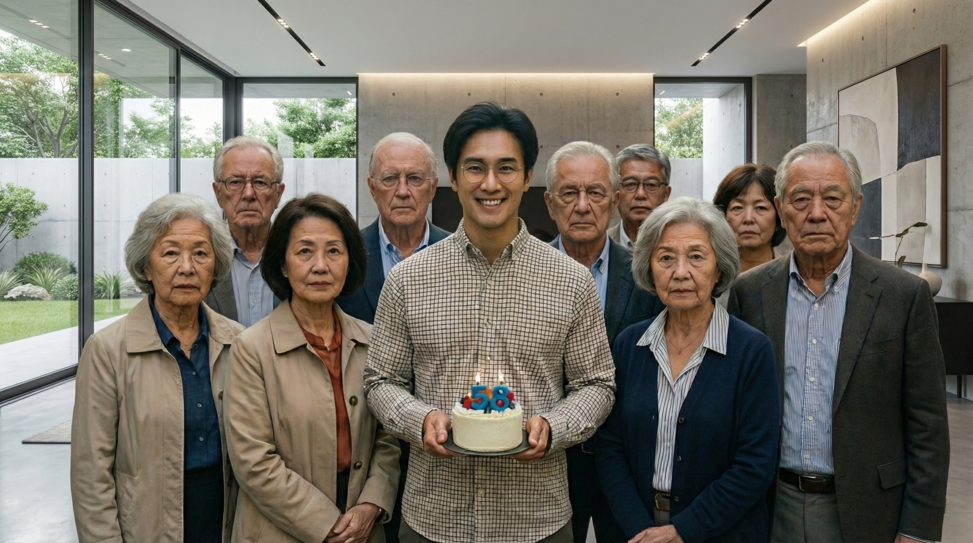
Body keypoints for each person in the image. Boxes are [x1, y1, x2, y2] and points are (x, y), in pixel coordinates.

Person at [364, 102, 616, 543]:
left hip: (536, 519)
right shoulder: (408, 279)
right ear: (452, 176)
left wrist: (553, 427)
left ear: (527, 175)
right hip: (432, 517)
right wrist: (420, 420)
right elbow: (380, 381)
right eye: (475, 168)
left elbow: (597, 385)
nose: (490, 184)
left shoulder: (571, 281)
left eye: (507, 168)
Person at [727, 141, 950, 543]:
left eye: (832, 198)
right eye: (800, 199)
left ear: (856, 207)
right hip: (772, 506)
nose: (816, 214)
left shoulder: (903, 295)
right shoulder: (751, 292)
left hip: (870, 509)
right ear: (780, 209)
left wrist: (918, 530)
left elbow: (928, 426)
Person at [597, 197, 781, 543]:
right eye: (666, 258)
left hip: (723, 533)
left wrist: (682, 531)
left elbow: (755, 465)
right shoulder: (629, 344)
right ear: (649, 268)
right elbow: (610, 447)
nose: (681, 272)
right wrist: (641, 529)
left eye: (696, 256)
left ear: (719, 268)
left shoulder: (750, 350)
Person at [224, 193, 400, 543]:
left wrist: (371, 504)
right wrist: (326, 525)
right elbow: (253, 461)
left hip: (362, 528)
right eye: (305, 251)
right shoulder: (252, 348)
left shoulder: (372, 339)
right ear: (283, 265)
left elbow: (388, 439)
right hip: (280, 529)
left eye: (334, 251)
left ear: (349, 261)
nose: (321, 265)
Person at [71, 193, 244, 542]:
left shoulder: (239, 342)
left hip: (228, 520)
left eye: (200, 253)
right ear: (146, 266)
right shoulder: (107, 350)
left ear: (217, 265)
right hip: (146, 526)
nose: (186, 267)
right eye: (169, 253)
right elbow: (91, 474)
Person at [544, 140, 665, 543]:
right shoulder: (525, 275)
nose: (582, 206)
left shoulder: (648, 278)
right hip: (546, 462)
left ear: (613, 201)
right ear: (549, 203)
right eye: (569, 193)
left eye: (595, 193)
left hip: (630, 461)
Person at [335, 133, 451, 543]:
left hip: (444, 455)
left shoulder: (462, 255)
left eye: (415, 178)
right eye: (389, 179)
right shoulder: (342, 257)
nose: (402, 191)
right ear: (371, 186)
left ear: (434, 186)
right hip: (363, 452)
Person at [206, 136, 285, 326]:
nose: (248, 194)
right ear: (218, 194)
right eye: (235, 182)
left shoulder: (296, 254)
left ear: (278, 195)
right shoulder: (202, 256)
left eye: (260, 182)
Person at [713, 164, 786, 274]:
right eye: (737, 208)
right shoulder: (711, 276)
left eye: (760, 208)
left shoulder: (789, 276)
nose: (748, 218)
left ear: (779, 214)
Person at [608, 144, 672, 249]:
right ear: (616, 193)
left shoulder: (682, 245)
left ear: (666, 194)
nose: (640, 194)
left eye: (651, 185)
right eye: (631, 184)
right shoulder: (599, 246)